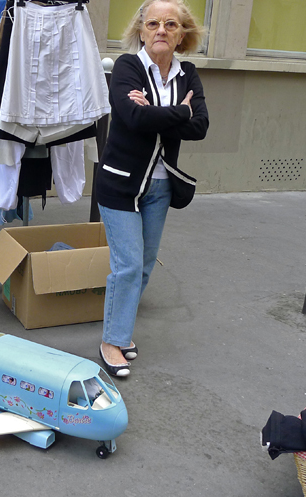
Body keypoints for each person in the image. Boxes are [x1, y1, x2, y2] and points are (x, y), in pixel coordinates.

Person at [95, 0, 209, 377]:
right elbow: (131, 116)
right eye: (154, 23)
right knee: (126, 265)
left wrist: (157, 115)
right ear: (142, 30)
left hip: (160, 186)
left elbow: (201, 126)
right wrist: (181, 111)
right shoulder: (127, 67)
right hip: (120, 183)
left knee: (142, 267)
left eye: (171, 25)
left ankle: (121, 328)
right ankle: (112, 340)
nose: (161, 30)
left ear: (181, 36)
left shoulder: (187, 74)